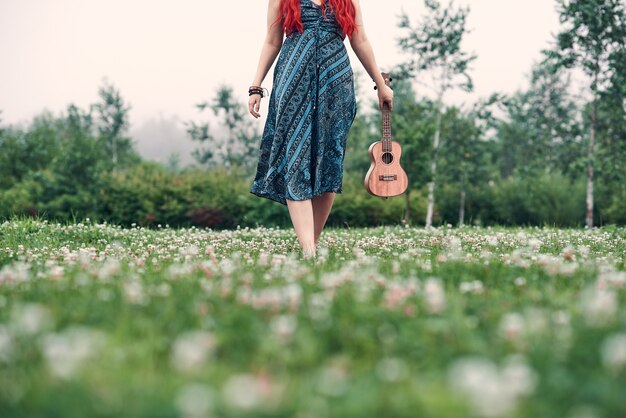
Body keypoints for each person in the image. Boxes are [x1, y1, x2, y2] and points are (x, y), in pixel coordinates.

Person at [248, 0, 393, 259]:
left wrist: (380, 84)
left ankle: (310, 247)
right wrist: (256, 85)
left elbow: (360, 39)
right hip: (293, 80)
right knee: (296, 156)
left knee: (329, 161)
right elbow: (272, 41)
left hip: (335, 84)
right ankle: (308, 250)